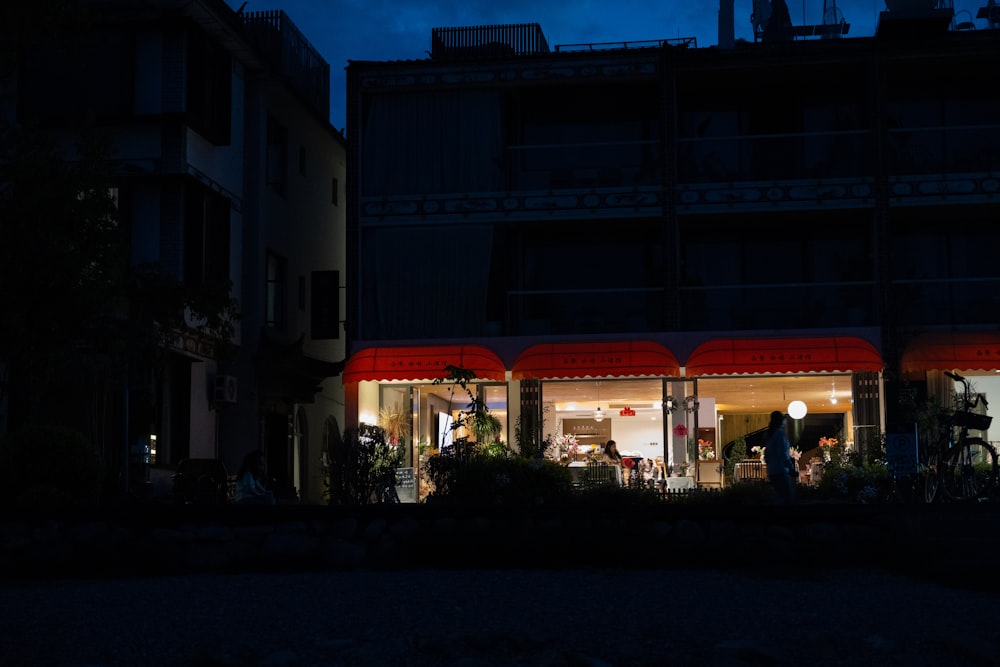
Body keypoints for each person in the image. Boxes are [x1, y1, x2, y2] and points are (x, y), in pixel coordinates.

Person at [763, 410, 797, 504]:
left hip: (772, 471)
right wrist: (791, 468)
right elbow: (783, 454)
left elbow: (767, 454)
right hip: (781, 471)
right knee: (788, 498)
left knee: (778, 498)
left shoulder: (768, 435)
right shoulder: (780, 435)